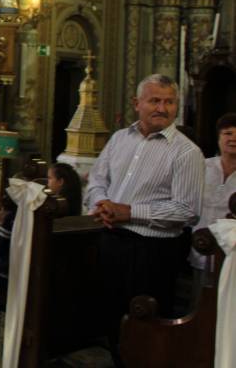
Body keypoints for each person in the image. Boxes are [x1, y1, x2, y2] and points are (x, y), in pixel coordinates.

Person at [85, 74, 203, 349]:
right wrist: (103, 204)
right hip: (111, 241)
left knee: (145, 329)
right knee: (109, 319)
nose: (162, 108)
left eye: (169, 102)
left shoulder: (186, 153)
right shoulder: (119, 139)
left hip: (153, 251)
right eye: (154, 101)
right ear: (136, 103)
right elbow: (97, 180)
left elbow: (188, 210)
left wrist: (129, 212)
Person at [0, 163, 82, 359]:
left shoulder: (30, 214)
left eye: (49, 179)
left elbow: (1, 252)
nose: (45, 184)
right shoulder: (73, 213)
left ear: (61, 182)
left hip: (15, 276)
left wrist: (2, 267)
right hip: (55, 280)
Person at [189, 112, 236, 282]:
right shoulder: (201, 166)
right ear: (218, 138)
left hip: (232, 255)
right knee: (199, 301)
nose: (233, 138)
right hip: (201, 248)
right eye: (228, 133)